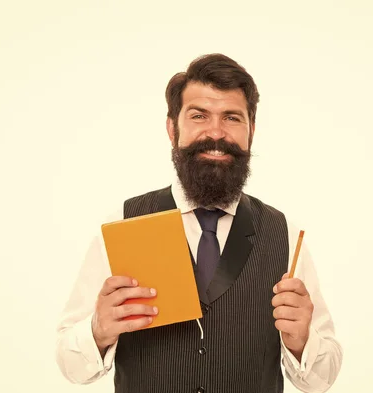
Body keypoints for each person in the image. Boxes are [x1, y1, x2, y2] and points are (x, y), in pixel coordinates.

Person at [55, 53, 343, 393]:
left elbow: (321, 379)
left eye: (232, 118)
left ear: (252, 130)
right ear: (172, 128)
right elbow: (71, 366)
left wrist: (302, 339)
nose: (216, 133)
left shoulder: (285, 234)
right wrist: (98, 331)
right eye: (199, 116)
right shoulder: (123, 224)